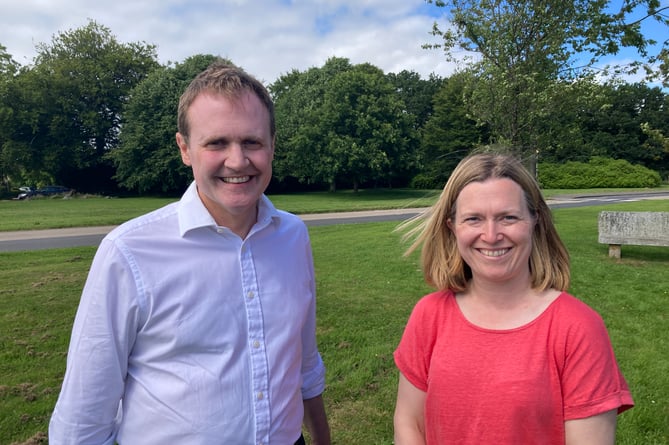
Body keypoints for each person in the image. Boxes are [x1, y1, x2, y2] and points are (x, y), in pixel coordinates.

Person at [49, 61, 331, 445]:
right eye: (216, 143)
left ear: (272, 145)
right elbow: (82, 419)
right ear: (185, 148)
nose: (237, 160)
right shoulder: (128, 252)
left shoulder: (293, 236)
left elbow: (305, 360)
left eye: (252, 142)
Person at [393, 152, 633, 444]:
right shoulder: (429, 315)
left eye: (508, 217)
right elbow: (410, 422)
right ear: (452, 227)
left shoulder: (578, 328)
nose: (491, 235)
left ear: (535, 220)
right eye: (474, 219)